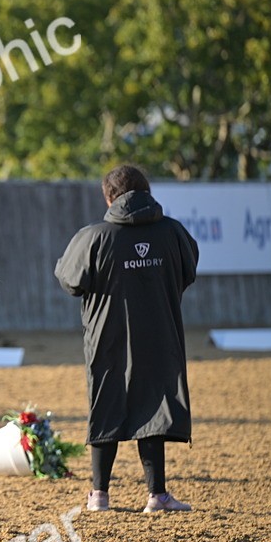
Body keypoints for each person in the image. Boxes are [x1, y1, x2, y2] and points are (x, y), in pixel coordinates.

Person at [54, 164, 199, 513]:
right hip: (160, 335)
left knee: (107, 405)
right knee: (154, 405)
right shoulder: (173, 232)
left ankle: (100, 495)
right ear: (147, 192)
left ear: (108, 197)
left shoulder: (94, 236)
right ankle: (157, 496)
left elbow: (69, 280)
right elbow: (188, 269)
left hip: (108, 337)